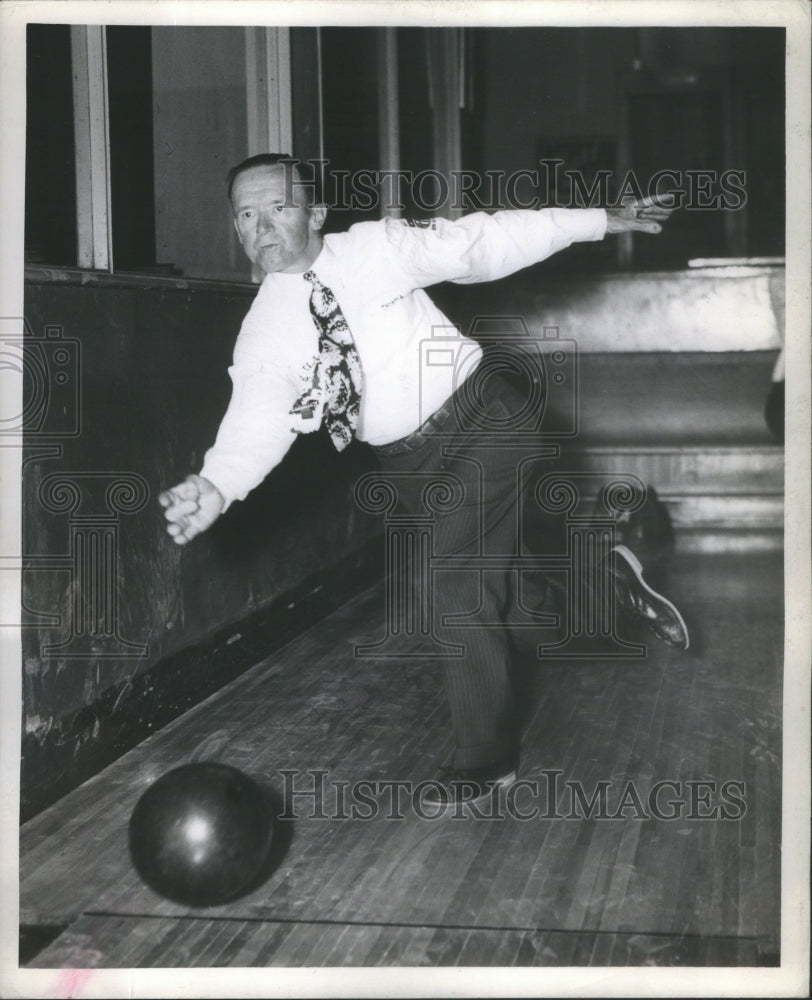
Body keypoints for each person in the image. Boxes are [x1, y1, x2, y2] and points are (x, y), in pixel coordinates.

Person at [159, 154, 688, 809]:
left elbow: (483, 242)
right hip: (407, 465)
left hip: (484, 420)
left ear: (316, 213)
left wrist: (599, 219)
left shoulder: (377, 249)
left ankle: (485, 760)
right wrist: (215, 485)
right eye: (246, 214)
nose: (262, 227)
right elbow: (258, 416)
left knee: (456, 587)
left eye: (279, 207)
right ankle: (605, 587)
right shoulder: (266, 332)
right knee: (512, 604)